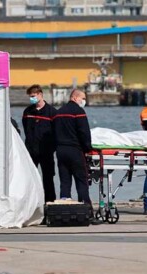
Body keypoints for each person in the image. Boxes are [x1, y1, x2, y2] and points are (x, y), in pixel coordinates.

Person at [54, 89, 101, 224]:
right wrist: (88, 148)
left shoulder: (58, 112)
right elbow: (84, 132)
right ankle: (87, 213)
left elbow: (54, 132)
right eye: (83, 98)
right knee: (82, 181)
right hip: (75, 150)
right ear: (75, 98)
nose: (84, 101)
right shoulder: (78, 112)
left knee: (65, 182)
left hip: (61, 151)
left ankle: (64, 214)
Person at [22, 84, 58, 204]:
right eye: (30, 97)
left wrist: (52, 148)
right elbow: (25, 128)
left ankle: (49, 202)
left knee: (48, 178)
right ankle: (31, 203)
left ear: (40, 95)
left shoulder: (51, 112)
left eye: (33, 96)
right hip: (31, 151)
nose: (31, 98)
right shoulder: (28, 111)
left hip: (46, 151)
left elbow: (56, 132)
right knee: (30, 178)